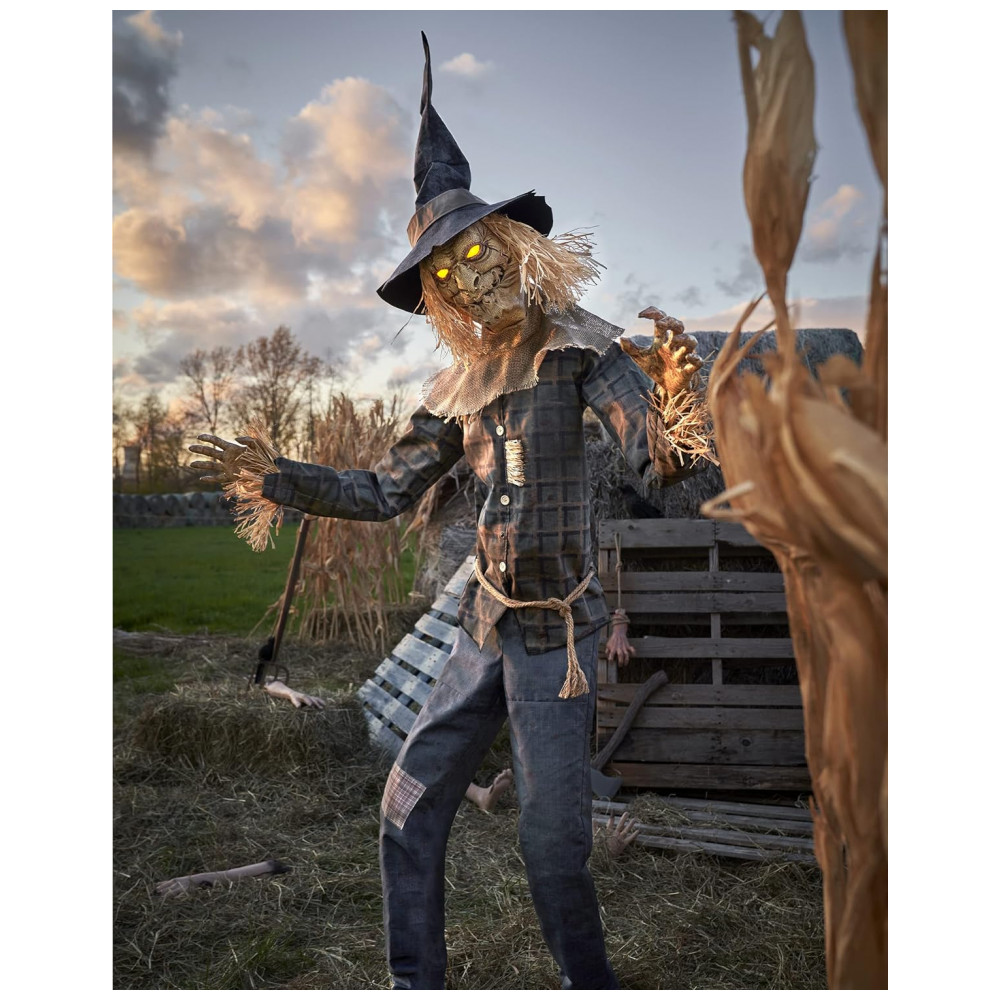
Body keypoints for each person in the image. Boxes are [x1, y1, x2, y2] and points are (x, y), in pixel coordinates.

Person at [191, 33, 707, 990]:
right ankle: (413, 980)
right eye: (445, 269)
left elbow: (655, 459)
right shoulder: (456, 387)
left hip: (558, 639)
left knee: (550, 847)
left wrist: (673, 412)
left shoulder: (582, 349)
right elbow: (382, 491)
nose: (468, 275)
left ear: (512, 245)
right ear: (435, 291)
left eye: (476, 251)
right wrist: (278, 476)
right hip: (481, 625)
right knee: (406, 806)